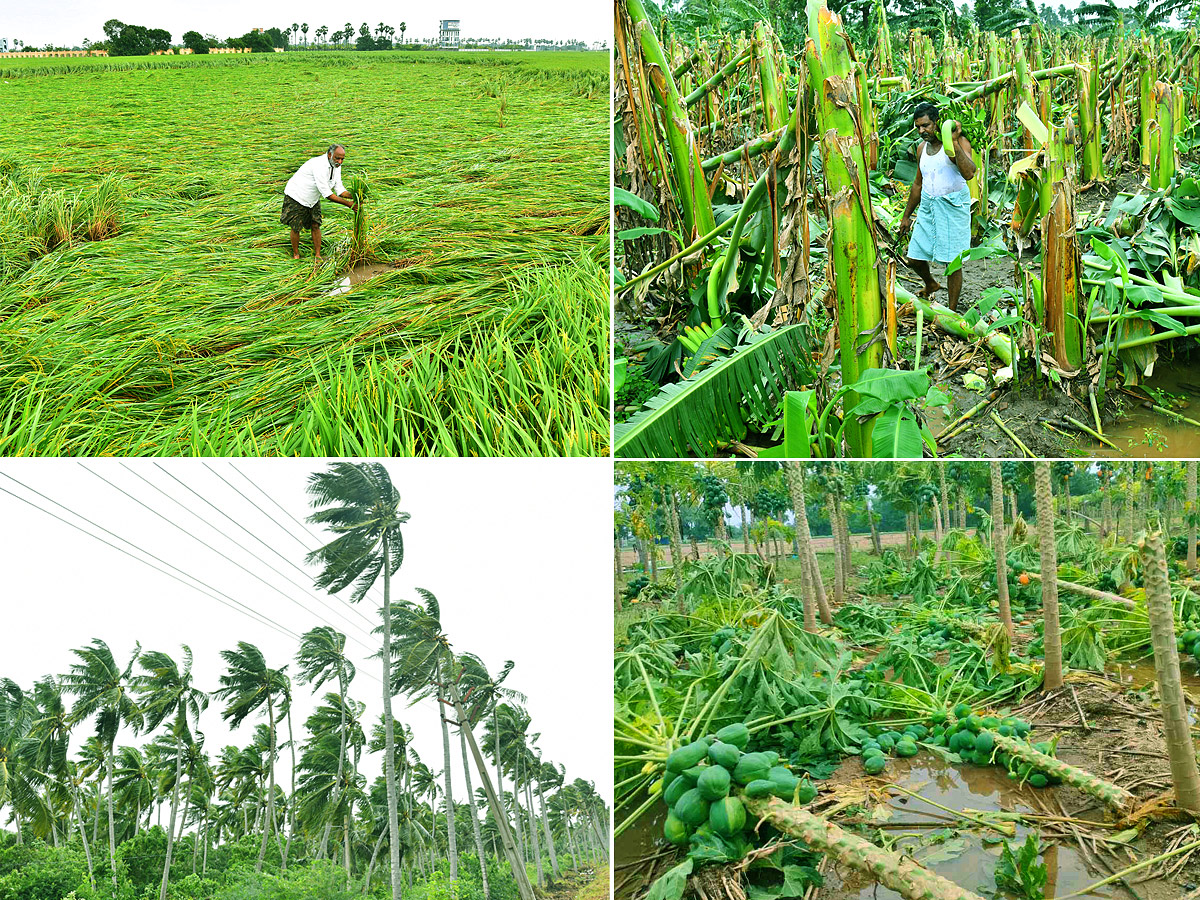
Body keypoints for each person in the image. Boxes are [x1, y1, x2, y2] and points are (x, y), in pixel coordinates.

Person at [897, 102, 976, 312]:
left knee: (953, 263)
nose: (922, 131)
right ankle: (931, 283)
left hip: (952, 206)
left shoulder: (956, 143)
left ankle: (951, 310)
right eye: (918, 127)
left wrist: (955, 142)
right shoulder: (921, 148)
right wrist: (906, 216)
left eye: (926, 125)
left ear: (937, 123)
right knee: (913, 257)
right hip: (929, 206)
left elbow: (969, 173)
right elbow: (917, 183)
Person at [280, 144, 358, 260]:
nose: (340, 162)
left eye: (342, 159)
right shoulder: (319, 165)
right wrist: (349, 205)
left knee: (316, 225)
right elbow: (327, 194)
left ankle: (318, 255)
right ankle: (296, 254)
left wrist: (356, 195)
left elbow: (340, 190)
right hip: (297, 195)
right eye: (337, 158)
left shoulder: (336, 166)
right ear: (330, 155)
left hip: (312, 198)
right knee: (296, 227)